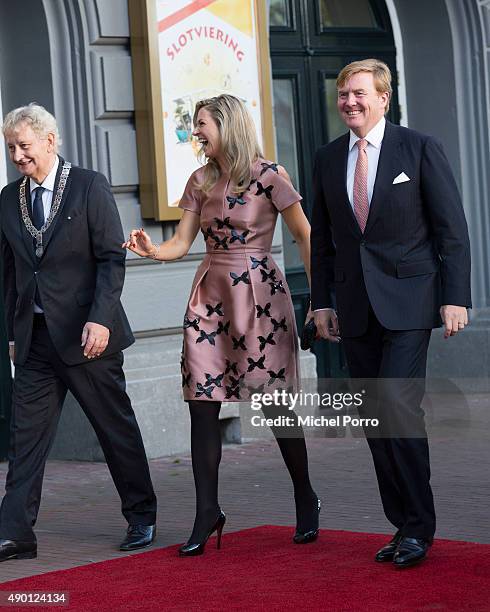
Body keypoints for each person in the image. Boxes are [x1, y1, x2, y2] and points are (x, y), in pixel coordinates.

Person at [124, 94, 319, 556]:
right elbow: (180, 243)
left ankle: (305, 496)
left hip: (259, 298)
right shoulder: (199, 180)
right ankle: (206, 511)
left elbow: (304, 235)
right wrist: (153, 251)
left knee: (275, 405)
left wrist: (318, 303)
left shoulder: (270, 176)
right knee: (201, 402)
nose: (196, 132)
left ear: (227, 125)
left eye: (202, 124)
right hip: (209, 299)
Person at [311, 59, 471, 568]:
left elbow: (452, 230)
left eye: (359, 93)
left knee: (399, 409)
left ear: (384, 97)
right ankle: (402, 524)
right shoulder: (328, 157)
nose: (350, 102)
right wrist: (320, 302)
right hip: (354, 308)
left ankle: (419, 527)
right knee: (373, 417)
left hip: (409, 303)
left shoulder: (419, 148)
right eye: (343, 95)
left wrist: (455, 296)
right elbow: (325, 244)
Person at [0, 103, 157, 562]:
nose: (17, 155)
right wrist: (13, 332)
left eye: (24, 145)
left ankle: (142, 514)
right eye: (10, 147)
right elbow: (8, 274)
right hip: (35, 341)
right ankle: (15, 534)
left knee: (114, 430)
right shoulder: (9, 199)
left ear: (50, 141)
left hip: (90, 338)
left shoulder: (89, 186)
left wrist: (101, 318)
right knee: (24, 441)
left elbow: (112, 258)